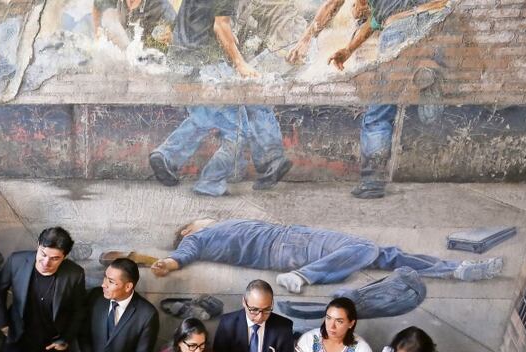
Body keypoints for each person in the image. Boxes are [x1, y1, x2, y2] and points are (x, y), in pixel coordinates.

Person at [148, 0, 292, 196]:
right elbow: (220, 25)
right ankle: (211, 180)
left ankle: (166, 155)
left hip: (182, 63)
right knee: (237, 128)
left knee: (206, 116)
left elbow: (202, 21)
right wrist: (239, 63)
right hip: (204, 65)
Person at [149, 218, 503, 293]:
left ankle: (456, 269)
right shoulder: (198, 238)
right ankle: (303, 276)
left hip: (292, 238)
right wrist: (167, 262)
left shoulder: (215, 228)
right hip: (288, 245)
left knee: (384, 254)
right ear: (188, 229)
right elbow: (182, 256)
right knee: (364, 249)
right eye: (197, 221)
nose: (204, 218)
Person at [322, 0, 453, 199]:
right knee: (428, 109)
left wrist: (358, 12)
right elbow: (375, 21)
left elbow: (369, 15)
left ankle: (372, 182)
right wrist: (349, 49)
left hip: (398, 28)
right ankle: (428, 74)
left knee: (380, 112)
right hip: (438, 22)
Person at [0, 226, 86, 352]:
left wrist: (65, 339)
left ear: (65, 256)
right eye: (43, 254)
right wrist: (3, 323)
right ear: (38, 245)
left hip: (51, 344)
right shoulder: (17, 260)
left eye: (55, 258)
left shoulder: (75, 273)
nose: (46, 262)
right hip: (18, 337)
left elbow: (79, 310)